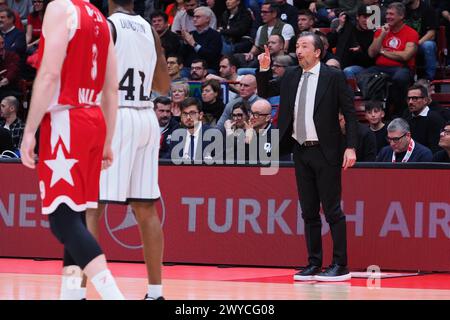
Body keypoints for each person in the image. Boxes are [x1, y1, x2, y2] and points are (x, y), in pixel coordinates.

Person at [19, 0, 124, 300]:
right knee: (75, 217)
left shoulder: (59, 8)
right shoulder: (102, 19)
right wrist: (107, 140)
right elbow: (111, 89)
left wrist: (29, 131)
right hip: (94, 120)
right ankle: (71, 296)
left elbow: (50, 74)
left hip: (66, 120)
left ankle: (114, 295)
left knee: (62, 220)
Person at [83, 0, 170, 300]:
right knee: (145, 207)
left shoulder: (106, 26)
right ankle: (155, 293)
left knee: (92, 207)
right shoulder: (149, 29)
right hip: (146, 116)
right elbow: (162, 83)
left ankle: (78, 293)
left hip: (116, 116)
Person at [257, 32, 358, 281]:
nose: (299, 50)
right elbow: (265, 90)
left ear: (317, 52)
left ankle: (340, 264)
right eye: (298, 46)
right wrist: (263, 69)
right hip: (299, 149)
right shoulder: (291, 75)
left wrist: (351, 146)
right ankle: (313, 263)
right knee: (309, 211)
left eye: (304, 46)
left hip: (326, 150)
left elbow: (350, 113)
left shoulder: (333, 76)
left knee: (332, 209)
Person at [402, 84, 445, 154]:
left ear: (425, 100)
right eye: (408, 98)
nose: (410, 102)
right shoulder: (406, 117)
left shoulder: (435, 119)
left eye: (415, 98)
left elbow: (436, 149)